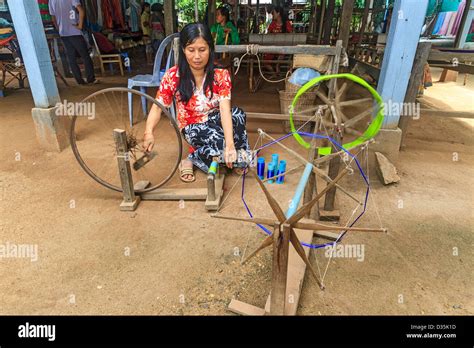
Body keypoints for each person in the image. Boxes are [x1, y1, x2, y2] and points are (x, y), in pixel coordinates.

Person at [143, 23, 250, 183]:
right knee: (227, 149)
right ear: (183, 50)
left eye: (202, 49)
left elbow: (224, 110)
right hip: (192, 126)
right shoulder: (173, 76)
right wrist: (148, 132)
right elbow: (158, 107)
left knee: (238, 115)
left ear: (210, 49)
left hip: (215, 119)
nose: (197, 56)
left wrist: (230, 144)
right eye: (191, 50)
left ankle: (219, 154)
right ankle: (192, 159)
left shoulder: (221, 75)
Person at [49, 0, 99, 85]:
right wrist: (80, 25)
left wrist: (59, 29)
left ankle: (79, 81)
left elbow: (53, 18)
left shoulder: (51, 1)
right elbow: (81, 11)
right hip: (74, 32)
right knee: (85, 56)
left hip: (63, 33)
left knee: (71, 58)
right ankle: (91, 79)